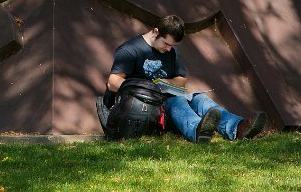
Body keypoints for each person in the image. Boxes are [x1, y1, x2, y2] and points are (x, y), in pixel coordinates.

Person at [107, 14, 266, 143]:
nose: (168, 49)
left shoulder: (172, 51)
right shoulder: (129, 50)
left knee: (200, 99)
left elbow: (181, 81)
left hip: (167, 100)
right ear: (156, 31)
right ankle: (198, 131)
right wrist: (145, 88)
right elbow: (113, 83)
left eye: (172, 46)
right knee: (177, 101)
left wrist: (165, 83)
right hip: (143, 109)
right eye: (166, 44)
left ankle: (237, 128)